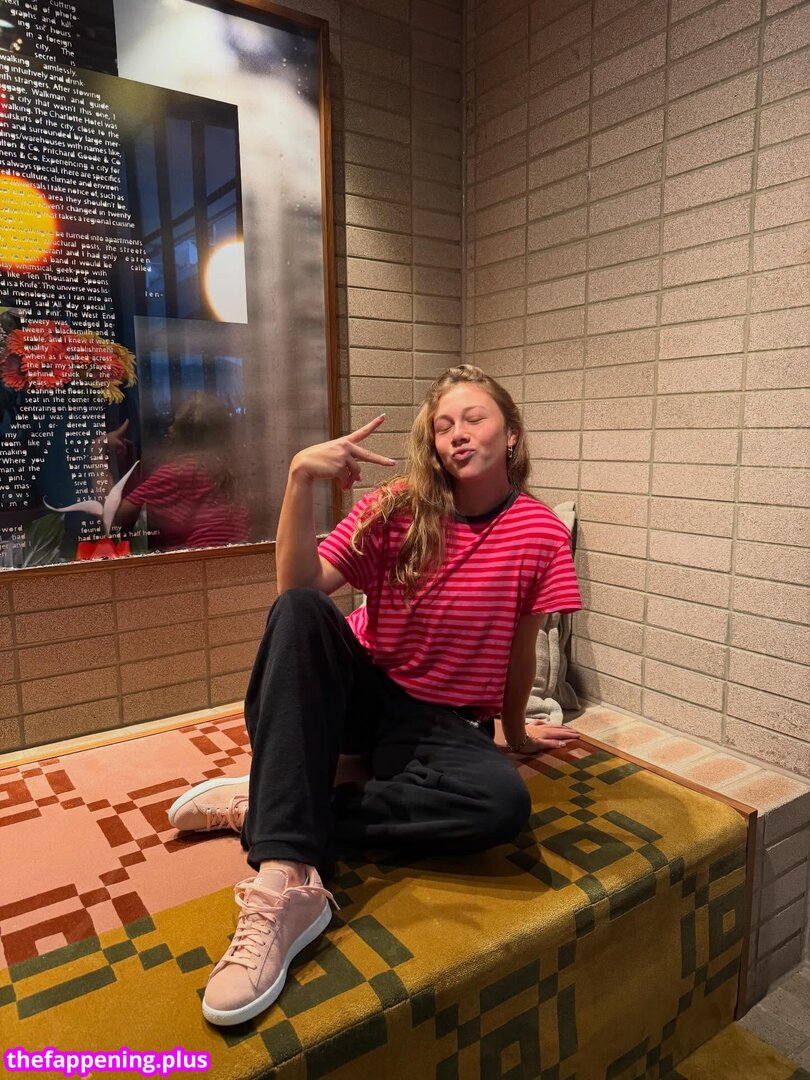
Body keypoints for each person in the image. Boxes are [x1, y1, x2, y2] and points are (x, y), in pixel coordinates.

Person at [167, 364, 583, 1027]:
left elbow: (520, 648)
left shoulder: (539, 533)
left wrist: (518, 733)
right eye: (443, 425)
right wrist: (300, 480)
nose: (457, 434)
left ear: (511, 434)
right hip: (366, 698)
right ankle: (288, 877)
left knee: (502, 805)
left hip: (446, 725)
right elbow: (298, 589)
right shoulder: (397, 507)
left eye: (474, 418)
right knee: (300, 611)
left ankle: (270, 806)